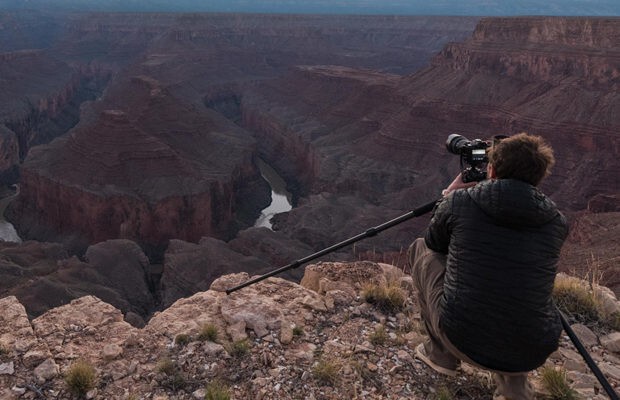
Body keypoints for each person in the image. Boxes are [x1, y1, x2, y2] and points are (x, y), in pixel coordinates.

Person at [408, 132, 569, 400]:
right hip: (533, 349)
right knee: (516, 281)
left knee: (420, 249)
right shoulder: (556, 221)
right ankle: (514, 387)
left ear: (491, 168)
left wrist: (448, 198)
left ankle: (441, 356)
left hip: (462, 338)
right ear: (540, 176)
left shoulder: (461, 202)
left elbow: (434, 241)